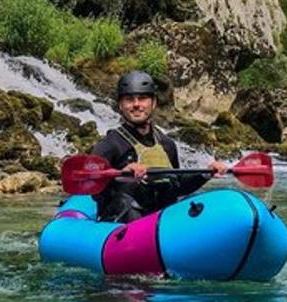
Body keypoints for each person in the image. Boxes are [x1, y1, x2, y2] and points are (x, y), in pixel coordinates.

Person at [91, 70, 228, 223]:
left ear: (154, 103)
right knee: (128, 205)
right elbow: (94, 190)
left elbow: (177, 186)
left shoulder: (167, 144)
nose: (136, 104)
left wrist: (205, 173)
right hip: (122, 226)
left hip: (162, 226)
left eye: (142, 98)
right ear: (121, 105)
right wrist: (121, 175)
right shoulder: (109, 144)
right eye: (129, 99)